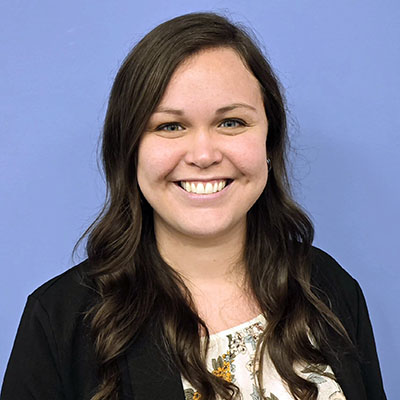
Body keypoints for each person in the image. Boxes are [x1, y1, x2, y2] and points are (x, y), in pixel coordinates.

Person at [1, 12, 386, 400]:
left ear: (269, 142)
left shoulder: (328, 289)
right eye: (170, 126)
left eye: (232, 122)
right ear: (130, 150)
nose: (203, 154)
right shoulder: (60, 321)